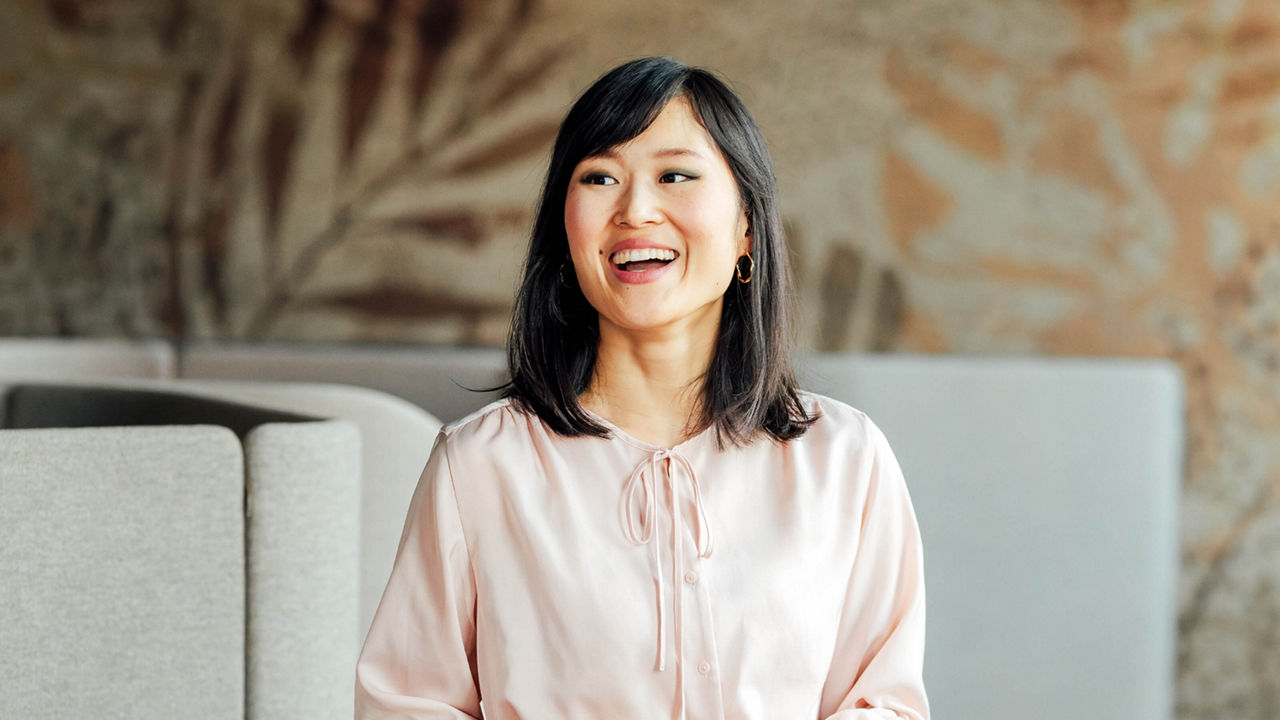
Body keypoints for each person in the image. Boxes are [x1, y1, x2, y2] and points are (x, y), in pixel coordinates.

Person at [355, 56, 929, 720]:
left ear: (747, 228)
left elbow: (882, 705)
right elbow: (407, 705)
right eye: (600, 177)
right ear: (565, 232)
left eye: (675, 175)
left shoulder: (845, 460)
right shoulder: (479, 466)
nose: (636, 209)